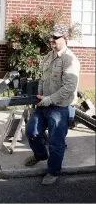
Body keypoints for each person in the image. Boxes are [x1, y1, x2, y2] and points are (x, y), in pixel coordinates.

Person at [25, 24, 80, 185]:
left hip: (60, 107)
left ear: (65, 39)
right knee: (32, 132)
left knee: (56, 142)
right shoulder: (49, 55)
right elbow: (43, 78)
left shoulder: (70, 60)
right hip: (43, 103)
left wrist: (50, 99)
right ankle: (40, 155)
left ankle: (53, 171)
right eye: (51, 37)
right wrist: (40, 97)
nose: (52, 40)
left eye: (55, 37)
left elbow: (70, 87)